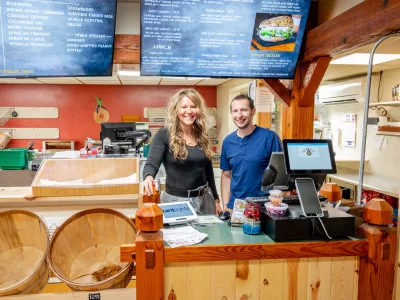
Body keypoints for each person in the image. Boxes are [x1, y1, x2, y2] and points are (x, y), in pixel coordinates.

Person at [142, 88, 221, 214]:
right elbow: (152, 163)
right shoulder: (164, 135)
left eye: (193, 106)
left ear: (199, 110)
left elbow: (208, 171)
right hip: (176, 203)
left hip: (205, 200)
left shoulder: (202, 135)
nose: (189, 111)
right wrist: (148, 177)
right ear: (176, 110)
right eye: (184, 107)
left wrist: (216, 199)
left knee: (208, 234)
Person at [220, 95, 282, 211]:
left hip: (263, 207)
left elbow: (281, 175)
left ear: (253, 111)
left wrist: (276, 204)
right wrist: (226, 206)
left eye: (243, 110)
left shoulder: (269, 138)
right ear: (231, 114)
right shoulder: (228, 141)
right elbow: (226, 175)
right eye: (235, 111)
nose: (239, 115)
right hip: (236, 207)